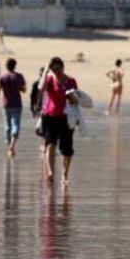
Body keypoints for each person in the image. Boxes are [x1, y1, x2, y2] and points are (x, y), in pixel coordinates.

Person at [39, 57, 78, 186]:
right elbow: (41, 87)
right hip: (50, 116)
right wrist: (45, 71)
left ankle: (65, 174)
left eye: (58, 68)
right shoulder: (49, 79)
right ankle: (50, 172)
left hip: (66, 118)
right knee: (50, 144)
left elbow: (77, 100)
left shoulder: (71, 81)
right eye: (53, 69)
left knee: (67, 150)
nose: (56, 71)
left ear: (63, 67)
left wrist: (72, 97)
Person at [0, 58, 26, 158]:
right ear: (15, 66)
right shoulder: (19, 76)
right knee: (16, 125)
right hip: (17, 104)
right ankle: (12, 145)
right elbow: (24, 90)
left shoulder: (2, 77)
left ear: (6, 66)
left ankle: (9, 147)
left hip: (6, 104)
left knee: (7, 126)